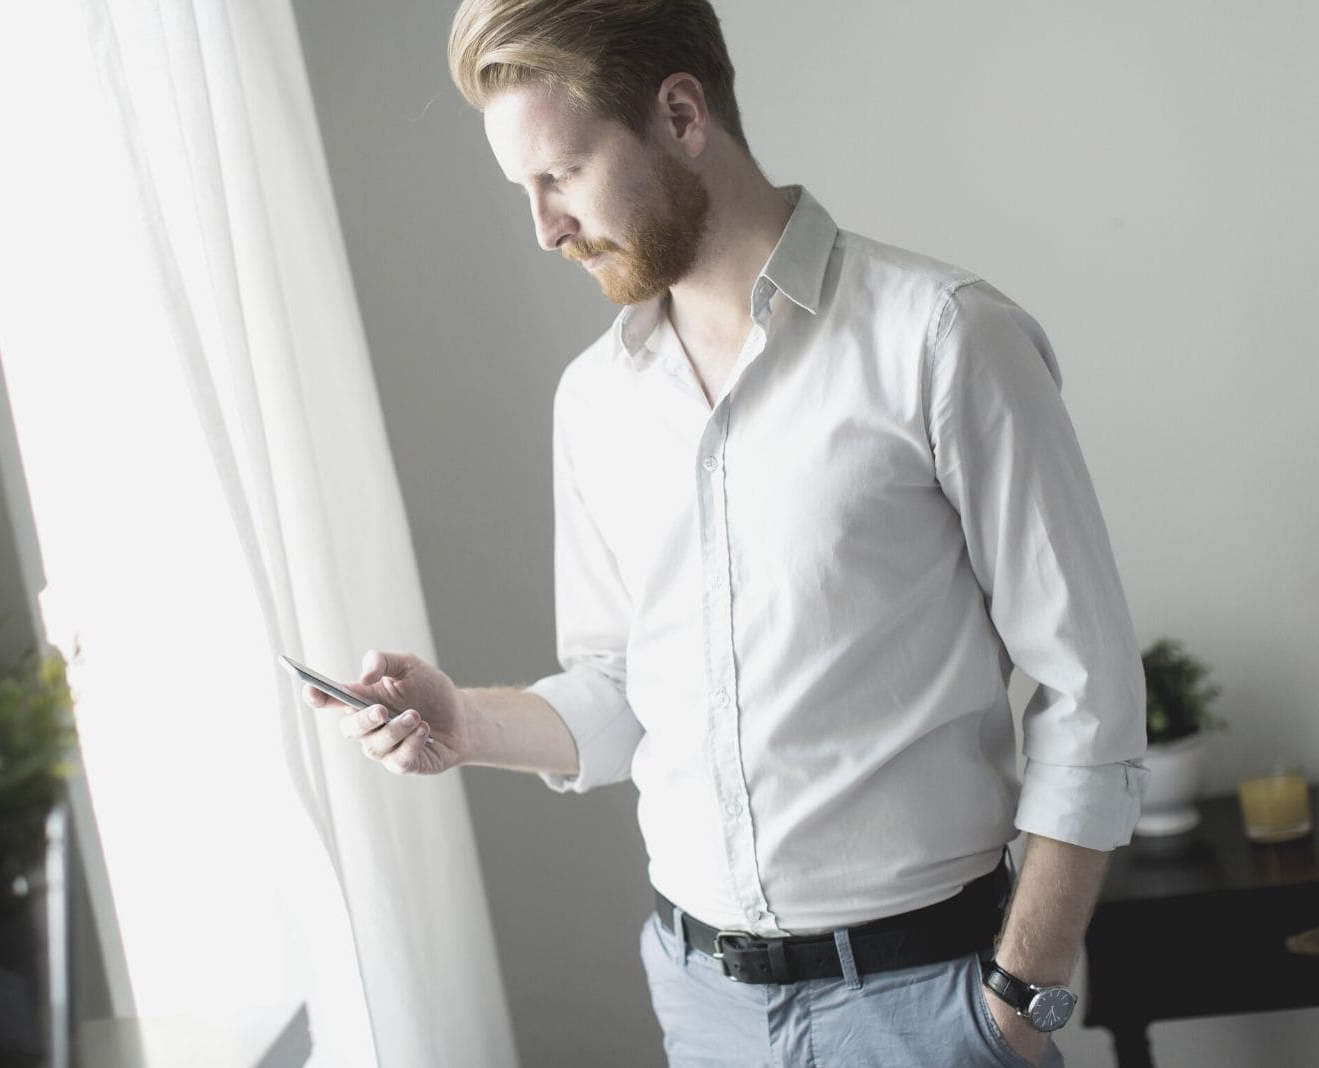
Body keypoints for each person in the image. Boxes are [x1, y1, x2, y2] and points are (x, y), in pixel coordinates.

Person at [302, 2, 1149, 1064]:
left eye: (559, 174)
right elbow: (623, 690)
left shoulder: (941, 339)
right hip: (702, 1006)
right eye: (522, 190)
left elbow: (1090, 690)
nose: (543, 227)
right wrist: (461, 723)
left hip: (925, 1008)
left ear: (679, 114)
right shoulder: (595, 402)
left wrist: (1018, 997)